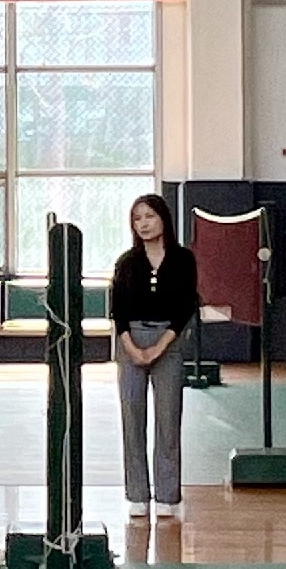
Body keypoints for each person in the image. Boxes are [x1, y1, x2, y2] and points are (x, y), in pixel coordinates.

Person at [107, 193, 199, 517]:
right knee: (132, 417)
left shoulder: (183, 259)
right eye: (137, 219)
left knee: (168, 419)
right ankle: (137, 494)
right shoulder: (126, 262)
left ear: (163, 219)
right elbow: (118, 310)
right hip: (131, 340)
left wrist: (160, 346)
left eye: (149, 216)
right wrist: (132, 348)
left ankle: (167, 496)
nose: (143, 224)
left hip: (169, 342)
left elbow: (186, 305)